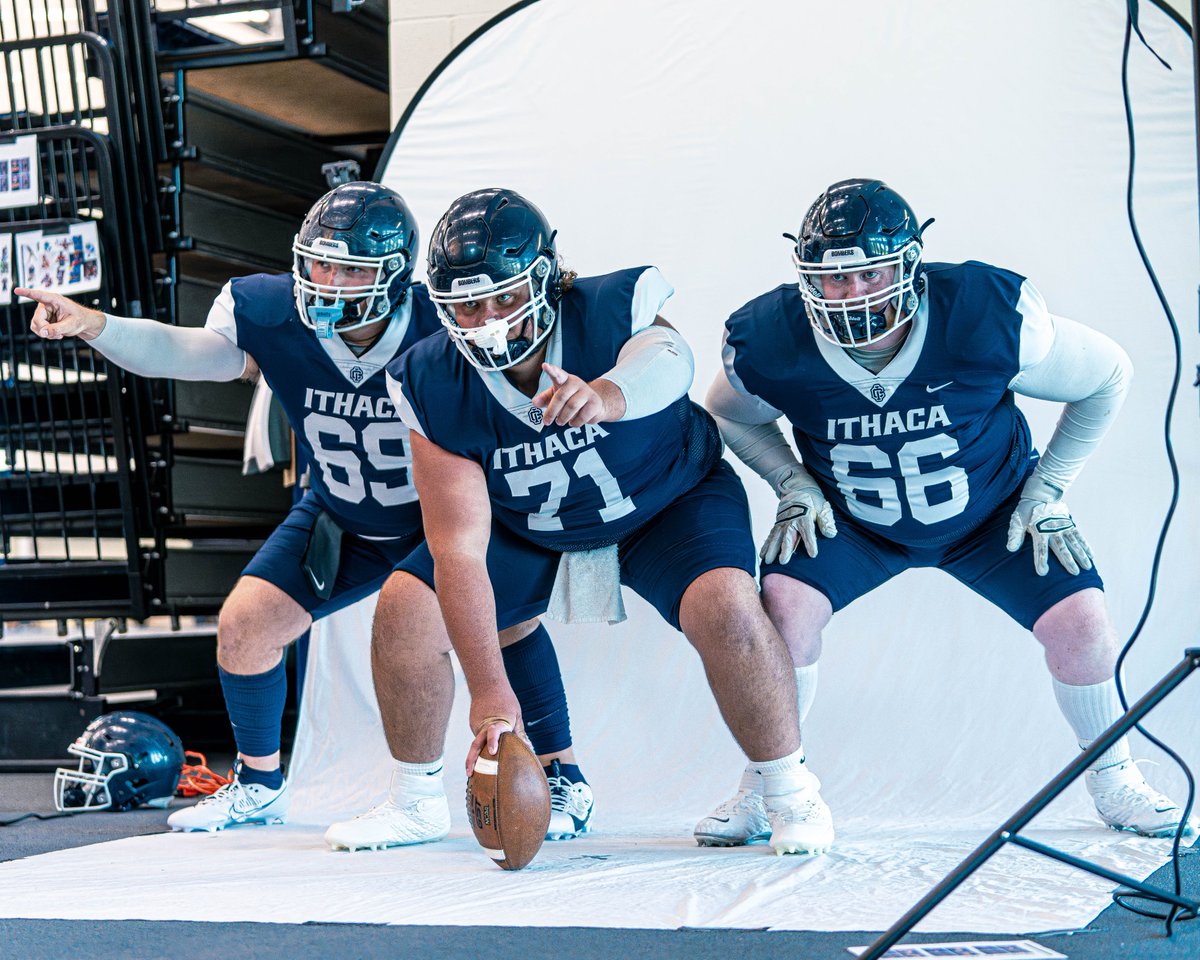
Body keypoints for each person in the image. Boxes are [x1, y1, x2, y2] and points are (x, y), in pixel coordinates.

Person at [18, 180, 590, 846]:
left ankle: (563, 775)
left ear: (395, 275)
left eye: (349, 267)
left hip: (442, 514)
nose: (327, 281)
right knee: (245, 626)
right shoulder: (270, 311)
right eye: (319, 262)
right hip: (343, 511)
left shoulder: (446, 321)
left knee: (507, 625)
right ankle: (260, 786)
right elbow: (185, 353)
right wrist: (97, 325)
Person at [697, 177, 1196, 847]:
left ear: (909, 264)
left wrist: (1047, 489)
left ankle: (1114, 777)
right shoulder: (775, 337)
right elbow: (726, 411)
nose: (853, 294)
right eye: (833, 279)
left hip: (992, 512)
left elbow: (1107, 375)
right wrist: (791, 481)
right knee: (782, 611)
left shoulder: (982, 314)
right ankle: (766, 786)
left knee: (1082, 623)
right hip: (854, 521)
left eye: (869, 272)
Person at [377, 186, 826, 857]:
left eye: (504, 296)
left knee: (726, 608)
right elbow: (460, 550)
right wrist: (490, 693)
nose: (490, 318)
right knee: (407, 608)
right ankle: (416, 800)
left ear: (548, 278)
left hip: (666, 501)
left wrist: (607, 394)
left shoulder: (609, 307)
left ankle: (789, 791)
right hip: (532, 523)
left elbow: (671, 363)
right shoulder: (431, 378)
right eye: (469, 303)